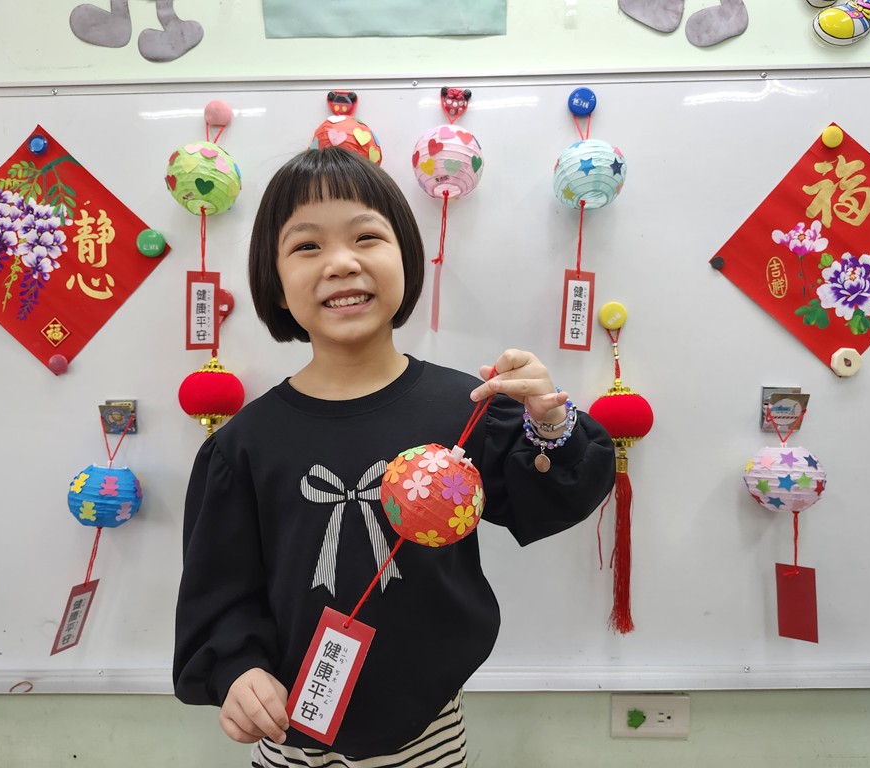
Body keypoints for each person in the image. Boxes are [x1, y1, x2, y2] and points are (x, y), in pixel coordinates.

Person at [173, 146, 615, 767]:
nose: (341, 263)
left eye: (366, 237)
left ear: (406, 256)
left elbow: (553, 496)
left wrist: (549, 422)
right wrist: (238, 669)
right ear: (275, 284)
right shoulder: (242, 445)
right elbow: (220, 591)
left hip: (428, 725)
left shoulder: (466, 408)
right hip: (289, 727)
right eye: (307, 246)